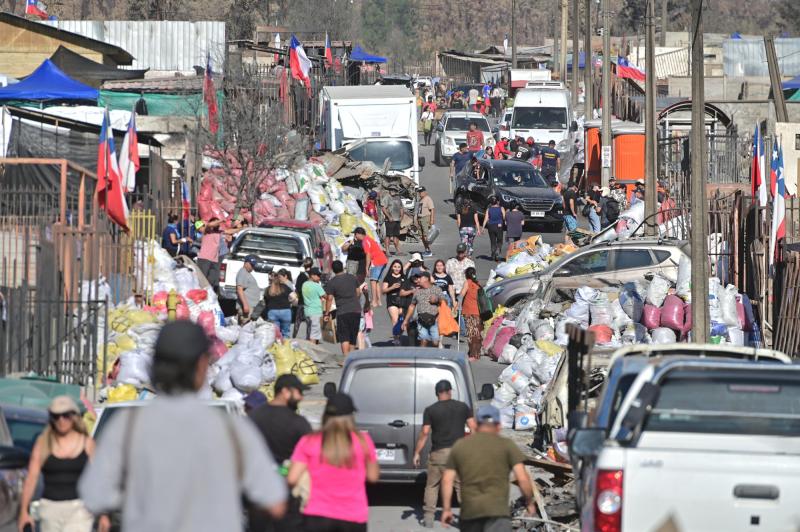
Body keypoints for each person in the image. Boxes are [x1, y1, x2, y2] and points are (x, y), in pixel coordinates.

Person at [78, 321, 287, 531]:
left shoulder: (128, 426)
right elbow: (275, 503)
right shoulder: (230, 429)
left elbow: (94, 496)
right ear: (202, 365)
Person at [288, 393, 379, 532]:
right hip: (352, 515)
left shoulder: (309, 441)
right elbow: (373, 476)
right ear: (351, 416)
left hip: (317, 514)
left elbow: (292, 478)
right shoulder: (363, 441)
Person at [440, 405, 537, 531]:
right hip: (497, 515)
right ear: (498, 425)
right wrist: (529, 503)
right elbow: (523, 478)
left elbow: (447, 480)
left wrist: (447, 509)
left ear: (476, 424)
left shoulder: (461, 445)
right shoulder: (507, 445)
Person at [18, 396, 107, 532]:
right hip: (49, 509)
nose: (61, 420)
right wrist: (24, 511)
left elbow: (99, 478)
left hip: (79, 509)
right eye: (56, 416)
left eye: (65, 415)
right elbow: (31, 478)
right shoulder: (43, 443)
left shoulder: (87, 443)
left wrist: (103, 513)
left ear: (74, 416)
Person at [248, 374, 312, 532]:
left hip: (258, 495)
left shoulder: (254, 417)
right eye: (299, 392)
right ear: (285, 392)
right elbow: (312, 458)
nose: (301, 398)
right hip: (288, 495)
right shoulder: (299, 423)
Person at [414, 380, 477, 528]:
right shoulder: (462, 407)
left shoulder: (430, 410)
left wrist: (417, 453)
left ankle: (429, 518)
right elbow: (473, 427)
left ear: (437, 394)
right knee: (461, 486)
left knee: (432, 485)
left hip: (438, 454)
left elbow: (424, 433)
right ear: (450, 391)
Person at [324, 260, 362, 358]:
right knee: (353, 334)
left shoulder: (332, 282)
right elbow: (358, 293)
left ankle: (346, 357)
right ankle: (352, 357)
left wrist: (327, 313)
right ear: (343, 267)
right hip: (355, 310)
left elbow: (329, 299)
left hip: (342, 311)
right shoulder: (352, 278)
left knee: (344, 335)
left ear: (333, 270)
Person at [349, 227, 387, 308]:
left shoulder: (365, 241)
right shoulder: (369, 238)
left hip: (377, 261)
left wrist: (366, 268)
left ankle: (374, 301)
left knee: (373, 281)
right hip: (383, 260)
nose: (355, 236)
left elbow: (368, 255)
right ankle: (379, 301)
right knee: (376, 282)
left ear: (359, 234)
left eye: (355, 234)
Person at [402, 271, 443, 347]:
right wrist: (405, 320)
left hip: (434, 320)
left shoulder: (437, 289)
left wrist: (437, 299)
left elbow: (445, 302)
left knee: (435, 343)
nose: (417, 280)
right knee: (423, 340)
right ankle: (421, 357)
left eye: (419, 278)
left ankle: (434, 357)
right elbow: (412, 305)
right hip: (421, 320)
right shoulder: (417, 291)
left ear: (426, 279)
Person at [460, 267, 483, 361]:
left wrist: (457, 305)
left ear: (466, 275)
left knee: (471, 333)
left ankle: (472, 355)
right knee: (477, 333)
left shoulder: (468, 282)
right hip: (478, 312)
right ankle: (476, 353)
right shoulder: (478, 284)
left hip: (469, 312)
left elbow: (461, 294)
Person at [382, 259, 406, 346]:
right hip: (391, 301)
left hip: (402, 301)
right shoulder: (388, 277)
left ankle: (398, 336)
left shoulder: (404, 277)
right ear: (392, 267)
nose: (397, 269)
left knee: (402, 321)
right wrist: (392, 287)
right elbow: (383, 291)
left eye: (399, 267)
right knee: (395, 320)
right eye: (395, 266)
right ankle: (396, 339)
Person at [263, 273, 294, 338]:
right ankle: (285, 347)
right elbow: (293, 297)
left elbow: (265, 302)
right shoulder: (285, 287)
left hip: (272, 311)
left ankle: (276, 347)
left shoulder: (268, 289)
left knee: (275, 334)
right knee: (285, 333)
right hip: (286, 311)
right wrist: (289, 302)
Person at [195, 217, 223, 290]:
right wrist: (221, 220)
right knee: (202, 280)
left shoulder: (218, 232)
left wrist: (241, 229)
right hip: (204, 258)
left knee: (212, 280)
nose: (218, 224)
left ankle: (209, 295)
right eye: (216, 222)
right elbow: (209, 225)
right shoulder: (207, 231)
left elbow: (229, 231)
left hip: (214, 259)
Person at [301, 268, 326, 344]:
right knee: (314, 334)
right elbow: (325, 296)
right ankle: (313, 350)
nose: (319, 277)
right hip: (315, 311)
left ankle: (311, 348)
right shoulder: (316, 286)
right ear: (312, 275)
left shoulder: (304, 284)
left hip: (307, 311)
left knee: (310, 331)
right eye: (318, 275)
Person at [293, 259, 315, 338]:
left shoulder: (301, 275)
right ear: (311, 265)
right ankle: (308, 338)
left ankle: (294, 336)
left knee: (298, 321)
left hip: (302, 301)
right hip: (310, 303)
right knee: (309, 322)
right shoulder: (314, 275)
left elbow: (297, 288)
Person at [236, 254, 261, 323]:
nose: (253, 267)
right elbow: (239, 289)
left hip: (250, 306)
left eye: (253, 265)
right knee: (245, 330)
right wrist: (245, 305)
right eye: (252, 265)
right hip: (247, 307)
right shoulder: (242, 272)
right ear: (246, 263)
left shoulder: (246, 273)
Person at [482, 197, 505, 262]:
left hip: (491, 226)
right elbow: (504, 217)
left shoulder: (488, 209)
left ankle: (493, 251)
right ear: (497, 202)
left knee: (492, 240)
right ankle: (498, 250)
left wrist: (483, 227)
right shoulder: (501, 208)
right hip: (499, 226)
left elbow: (486, 218)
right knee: (499, 240)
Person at [381, 189, 403, 255]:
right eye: (391, 189)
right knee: (388, 235)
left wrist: (402, 216)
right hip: (390, 220)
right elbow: (383, 208)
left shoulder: (398, 198)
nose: (393, 191)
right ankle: (387, 251)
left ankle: (398, 251)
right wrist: (389, 216)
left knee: (396, 235)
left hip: (397, 219)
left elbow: (401, 207)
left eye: (394, 189)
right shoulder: (387, 197)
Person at [417, 187, 436, 257]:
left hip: (426, 218)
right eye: (419, 192)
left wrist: (432, 220)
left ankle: (429, 250)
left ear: (425, 192)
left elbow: (432, 209)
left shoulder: (428, 198)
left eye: (421, 191)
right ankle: (426, 249)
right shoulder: (421, 200)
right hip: (420, 219)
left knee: (426, 236)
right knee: (421, 236)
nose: (420, 193)